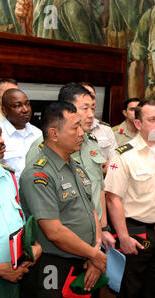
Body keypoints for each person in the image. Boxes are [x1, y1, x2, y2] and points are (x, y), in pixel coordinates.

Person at [19, 101, 107, 298]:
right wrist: (95, 255)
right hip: (55, 265)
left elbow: (91, 210)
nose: (81, 133)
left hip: (85, 260)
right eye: (75, 127)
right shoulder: (38, 174)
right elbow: (54, 232)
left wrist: (95, 249)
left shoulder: (75, 165)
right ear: (54, 134)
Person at [105, 100, 155, 298]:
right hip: (135, 231)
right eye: (152, 119)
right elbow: (112, 199)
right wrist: (123, 236)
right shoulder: (123, 156)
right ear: (139, 124)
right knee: (131, 290)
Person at [25, 83, 114, 249]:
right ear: (67, 109)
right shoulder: (43, 146)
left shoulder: (90, 143)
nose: (90, 115)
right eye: (85, 108)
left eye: (93, 109)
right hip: (62, 245)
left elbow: (98, 187)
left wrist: (103, 228)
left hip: (95, 237)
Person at [0, 110, 41, 298]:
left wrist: (33, 248)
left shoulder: (8, 175)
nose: (1, 141)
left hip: (15, 275)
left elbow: (18, 223)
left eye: (0, 134)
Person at [0, 88, 42, 182]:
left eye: (27, 104)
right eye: (17, 106)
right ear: (4, 110)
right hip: (11, 193)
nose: (25, 110)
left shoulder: (38, 134)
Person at [80, 82, 118, 161]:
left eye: (92, 96)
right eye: (85, 95)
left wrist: (109, 167)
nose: (89, 98)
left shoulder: (105, 129)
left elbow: (116, 160)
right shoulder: (67, 130)